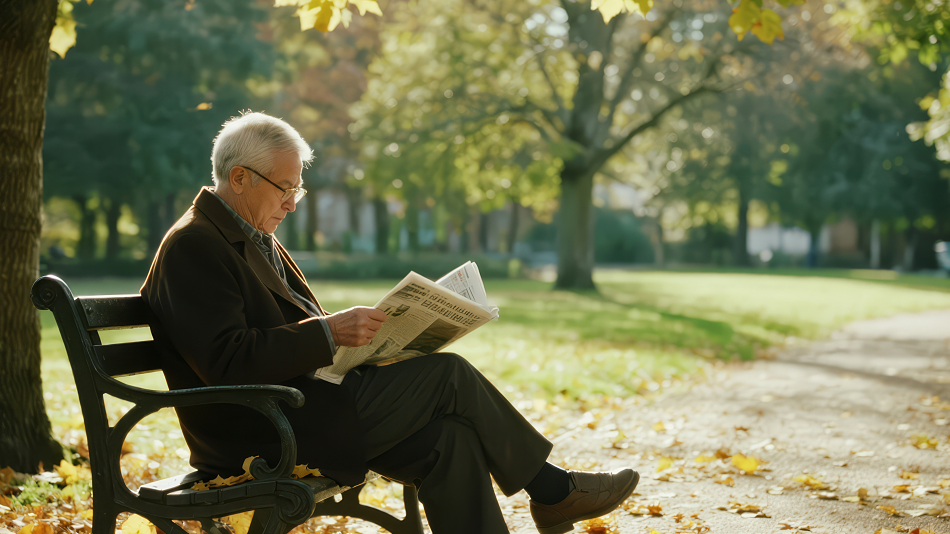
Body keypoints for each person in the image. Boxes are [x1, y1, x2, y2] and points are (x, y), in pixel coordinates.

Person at [140, 112, 639, 534]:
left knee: (451, 440)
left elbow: (280, 335)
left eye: (298, 189)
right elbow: (227, 361)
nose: (292, 202)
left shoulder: (248, 235)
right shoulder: (194, 245)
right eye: (285, 188)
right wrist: (329, 333)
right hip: (262, 432)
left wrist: (373, 344)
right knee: (449, 375)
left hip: (304, 408)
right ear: (239, 177)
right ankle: (553, 490)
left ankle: (553, 494)